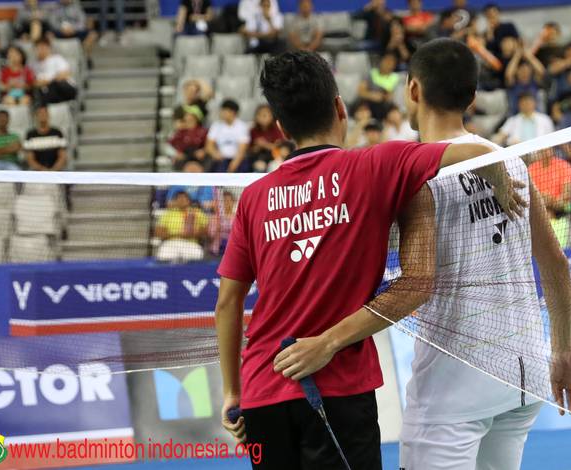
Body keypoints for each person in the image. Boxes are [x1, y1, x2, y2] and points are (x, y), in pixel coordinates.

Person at [270, 40, 571, 470]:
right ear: (472, 98)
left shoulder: (414, 177)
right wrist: (563, 350)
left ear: (412, 90)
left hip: (456, 383)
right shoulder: (510, 162)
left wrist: (329, 340)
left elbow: (417, 281)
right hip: (523, 374)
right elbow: (556, 264)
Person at [216, 50, 526, 469]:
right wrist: (503, 186)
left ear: (281, 127)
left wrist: (233, 394)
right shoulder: (374, 164)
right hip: (338, 391)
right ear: (340, 108)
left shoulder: (253, 199)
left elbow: (228, 302)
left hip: (262, 391)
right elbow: (473, 152)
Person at [528, 148, 571, 247]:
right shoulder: (531, 169)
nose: (545, 152)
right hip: (540, 209)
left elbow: (566, 195)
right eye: (542, 150)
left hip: (561, 208)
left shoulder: (564, 166)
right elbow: (529, 197)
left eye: (548, 149)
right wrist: (543, 200)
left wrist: (551, 201)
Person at [155, 187, 209, 263]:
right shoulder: (168, 213)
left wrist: (192, 234)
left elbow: (206, 231)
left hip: (191, 244)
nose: (182, 200)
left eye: (184, 198)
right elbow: (159, 232)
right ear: (175, 201)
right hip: (171, 243)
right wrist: (179, 234)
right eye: (179, 198)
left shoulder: (197, 213)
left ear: (189, 200)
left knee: (197, 256)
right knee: (163, 257)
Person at [205, 99, 250, 172]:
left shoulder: (242, 126)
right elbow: (209, 145)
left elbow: (242, 149)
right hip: (220, 159)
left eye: (224, 111)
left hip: (238, 159)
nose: (222, 113)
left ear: (233, 112)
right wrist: (215, 154)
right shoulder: (216, 126)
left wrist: (234, 163)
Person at [30, 38, 78, 104]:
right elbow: (33, 81)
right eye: (38, 48)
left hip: (62, 88)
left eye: (43, 47)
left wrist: (48, 81)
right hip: (44, 90)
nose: (41, 50)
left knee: (54, 85)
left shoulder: (57, 58)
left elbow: (65, 74)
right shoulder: (32, 64)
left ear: (49, 48)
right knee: (39, 91)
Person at [357, 52, 400, 120]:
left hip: (384, 107)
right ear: (381, 61)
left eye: (391, 62)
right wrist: (372, 95)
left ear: (394, 65)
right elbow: (361, 91)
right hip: (369, 104)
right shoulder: (371, 73)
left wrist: (384, 97)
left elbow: (392, 97)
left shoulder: (395, 78)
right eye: (386, 60)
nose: (387, 64)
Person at [504, 43, 546, 114]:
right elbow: (508, 74)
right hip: (516, 116)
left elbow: (541, 71)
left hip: (536, 116)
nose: (524, 72)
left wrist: (528, 55)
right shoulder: (513, 84)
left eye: (527, 70)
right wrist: (517, 55)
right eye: (522, 70)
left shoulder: (534, 82)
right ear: (516, 72)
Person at [24, 105, 68, 171]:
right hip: (37, 171)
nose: (42, 115)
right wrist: (42, 170)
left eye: (44, 113)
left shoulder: (58, 133)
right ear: (36, 116)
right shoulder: (30, 135)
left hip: (56, 170)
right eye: (40, 113)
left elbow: (62, 157)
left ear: (48, 115)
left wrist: (53, 170)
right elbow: (30, 159)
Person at [248, 104, 284, 172]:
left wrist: (264, 144)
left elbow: (278, 147)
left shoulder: (276, 130)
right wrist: (257, 147)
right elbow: (250, 150)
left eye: (265, 115)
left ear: (271, 116)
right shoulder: (253, 130)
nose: (262, 118)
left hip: (273, 157)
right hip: (257, 158)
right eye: (259, 115)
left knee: (276, 165)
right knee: (259, 166)